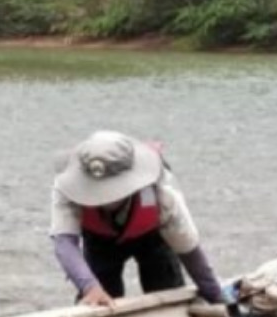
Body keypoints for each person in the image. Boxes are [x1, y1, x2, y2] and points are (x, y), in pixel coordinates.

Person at [50, 130, 225, 306]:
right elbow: (64, 243)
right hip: (99, 241)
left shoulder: (161, 193)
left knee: (166, 293)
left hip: (153, 237)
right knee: (100, 299)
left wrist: (216, 297)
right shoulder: (67, 189)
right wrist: (89, 287)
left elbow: (189, 251)